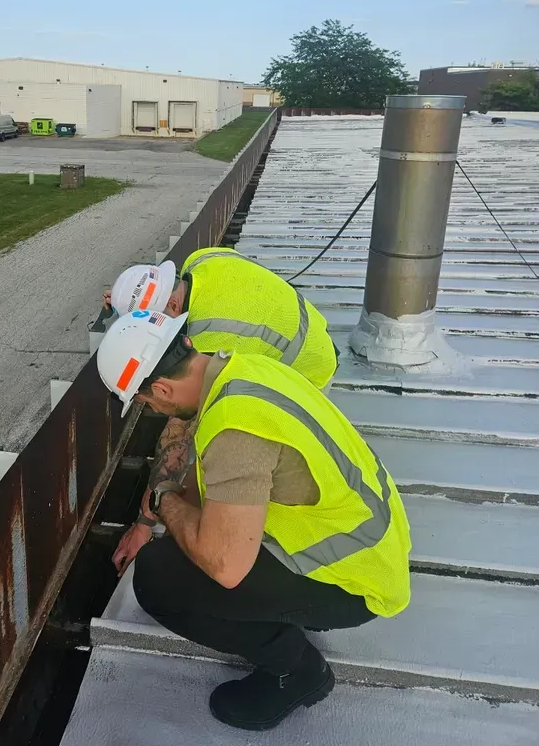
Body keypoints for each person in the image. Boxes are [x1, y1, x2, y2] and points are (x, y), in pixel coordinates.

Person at [97, 310, 411, 732]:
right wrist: (149, 518)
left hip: (355, 581)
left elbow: (226, 566)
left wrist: (162, 500)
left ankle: (297, 670)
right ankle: (293, 618)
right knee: (188, 541)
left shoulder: (236, 431)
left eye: (146, 402)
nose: (152, 410)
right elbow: (204, 474)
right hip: (368, 546)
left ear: (161, 388)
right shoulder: (239, 370)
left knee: (157, 576)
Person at [105, 247, 340, 574]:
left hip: (307, 370)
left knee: (232, 462)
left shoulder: (212, 336)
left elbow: (180, 436)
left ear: (173, 304)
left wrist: (145, 523)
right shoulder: (197, 262)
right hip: (309, 330)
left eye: (155, 323)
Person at [105, 247, 338, 390]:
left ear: (174, 304)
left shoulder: (207, 338)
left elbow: (202, 398)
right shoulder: (201, 259)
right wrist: (121, 300)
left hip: (310, 368)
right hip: (314, 324)